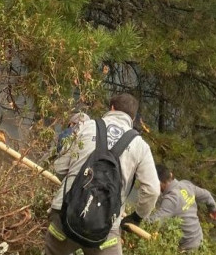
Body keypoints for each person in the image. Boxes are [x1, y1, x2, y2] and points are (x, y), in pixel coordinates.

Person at [44, 93, 160, 255]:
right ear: (132, 119)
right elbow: (152, 190)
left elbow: (60, 167)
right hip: (105, 225)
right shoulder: (140, 146)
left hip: (65, 215)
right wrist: (136, 217)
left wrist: (77, 190)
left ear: (111, 108)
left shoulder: (85, 126)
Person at [145, 164, 216, 251]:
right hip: (199, 239)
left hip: (187, 249)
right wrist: (213, 209)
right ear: (171, 174)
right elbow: (206, 195)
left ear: (159, 183)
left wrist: (134, 220)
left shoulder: (171, 200)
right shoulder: (186, 185)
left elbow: (154, 222)